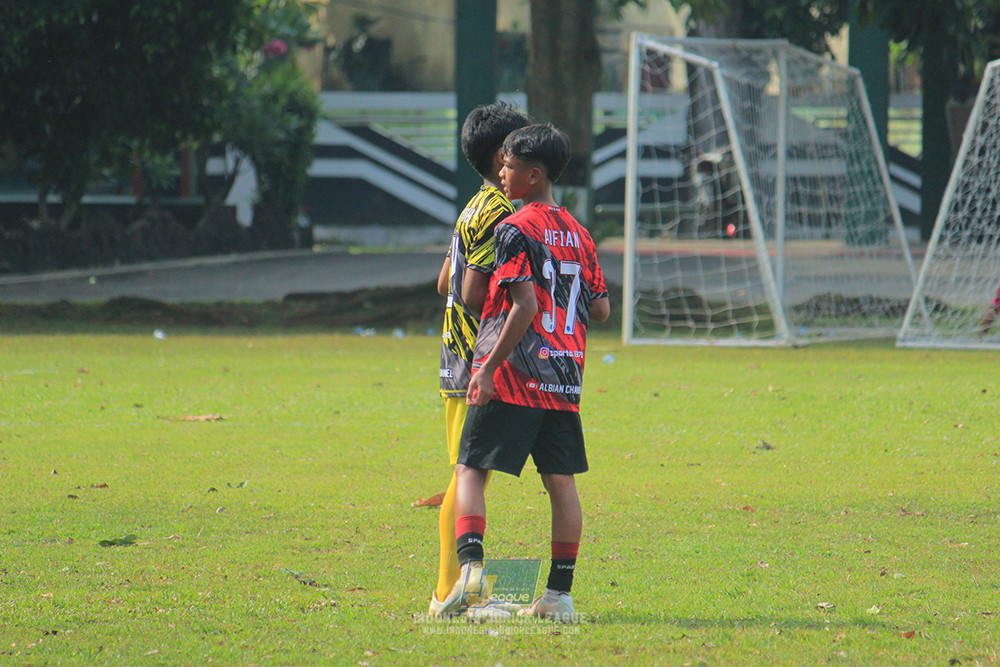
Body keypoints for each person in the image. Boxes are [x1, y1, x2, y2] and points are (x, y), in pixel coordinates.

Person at [442, 123, 611, 622]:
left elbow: (524, 304)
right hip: (563, 377)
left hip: (516, 372)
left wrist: (489, 366)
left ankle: (471, 575)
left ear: (533, 176)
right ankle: (559, 597)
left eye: (510, 165)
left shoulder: (515, 228)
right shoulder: (580, 234)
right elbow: (600, 309)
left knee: (469, 468)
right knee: (561, 484)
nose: (502, 170)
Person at [428, 102, 531, 617]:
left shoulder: (474, 206)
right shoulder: (500, 214)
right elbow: (469, 292)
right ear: (501, 157)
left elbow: (443, 280)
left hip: (455, 354)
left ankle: (460, 590)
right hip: (476, 359)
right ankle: (450, 594)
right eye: (522, 147)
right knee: (468, 476)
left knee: (468, 473)